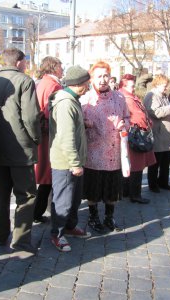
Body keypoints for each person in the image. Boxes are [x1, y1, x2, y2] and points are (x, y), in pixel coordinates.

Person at [0, 48, 41, 254]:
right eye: (25, 62)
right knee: (26, 195)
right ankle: (21, 239)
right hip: (20, 148)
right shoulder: (25, 81)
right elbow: (31, 117)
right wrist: (35, 139)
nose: (26, 65)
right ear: (19, 62)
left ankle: (2, 233)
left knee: (2, 192)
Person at [81, 62, 130, 233]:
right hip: (93, 153)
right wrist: (85, 124)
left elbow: (127, 117)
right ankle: (93, 217)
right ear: (92, 78)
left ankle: (109, 217)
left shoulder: (119, 98)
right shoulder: (85, 99)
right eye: (99, 76)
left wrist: (125, 124)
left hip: (113, 152)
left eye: (105, 76)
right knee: (93, 189)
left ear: (110, 77)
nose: (103, 80)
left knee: (112, 188)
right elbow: (76, 125)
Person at [49, 65, 91, 251]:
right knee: (63, 201)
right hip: (65, 162)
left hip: (74, 160)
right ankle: (57, 234)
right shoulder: (66, 103)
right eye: (86, 83)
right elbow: (66, 136)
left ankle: (70, 226)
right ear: (78, 84)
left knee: (74, 199)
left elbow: (72, 128)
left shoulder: (73, 100)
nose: (88, 87)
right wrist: (74, 163)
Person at [33, 56, 63, 223]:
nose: (62, 68)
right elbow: (52, 113)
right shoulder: (54, 85)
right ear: (54, 67)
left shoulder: (43, 82)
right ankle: (41, 211)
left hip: (43, 134)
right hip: (49, 135)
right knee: (49, 175)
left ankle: (40, 211)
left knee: (46, 175)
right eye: (60, 65)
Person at [119, 74, 156, 204]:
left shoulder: (127, 96)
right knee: (136, 166)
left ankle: (126, 191)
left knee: (130, 164)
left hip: (130, 134)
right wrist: (147, 123)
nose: (134, 88)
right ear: (124, 85)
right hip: (135, 135)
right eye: (132, 85)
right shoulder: (127, 98)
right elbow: (138, 116)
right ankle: (135, 195)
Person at [144, 74, 170, 192]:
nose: (166, 88)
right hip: (158, 133)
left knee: (165, 160)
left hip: (165, 134)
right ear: (157, 84)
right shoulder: (152, 95)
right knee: (155, 162)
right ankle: (153, 185)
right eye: (164, 86)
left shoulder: (163, 95)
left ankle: (163, 182)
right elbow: (156, 112)